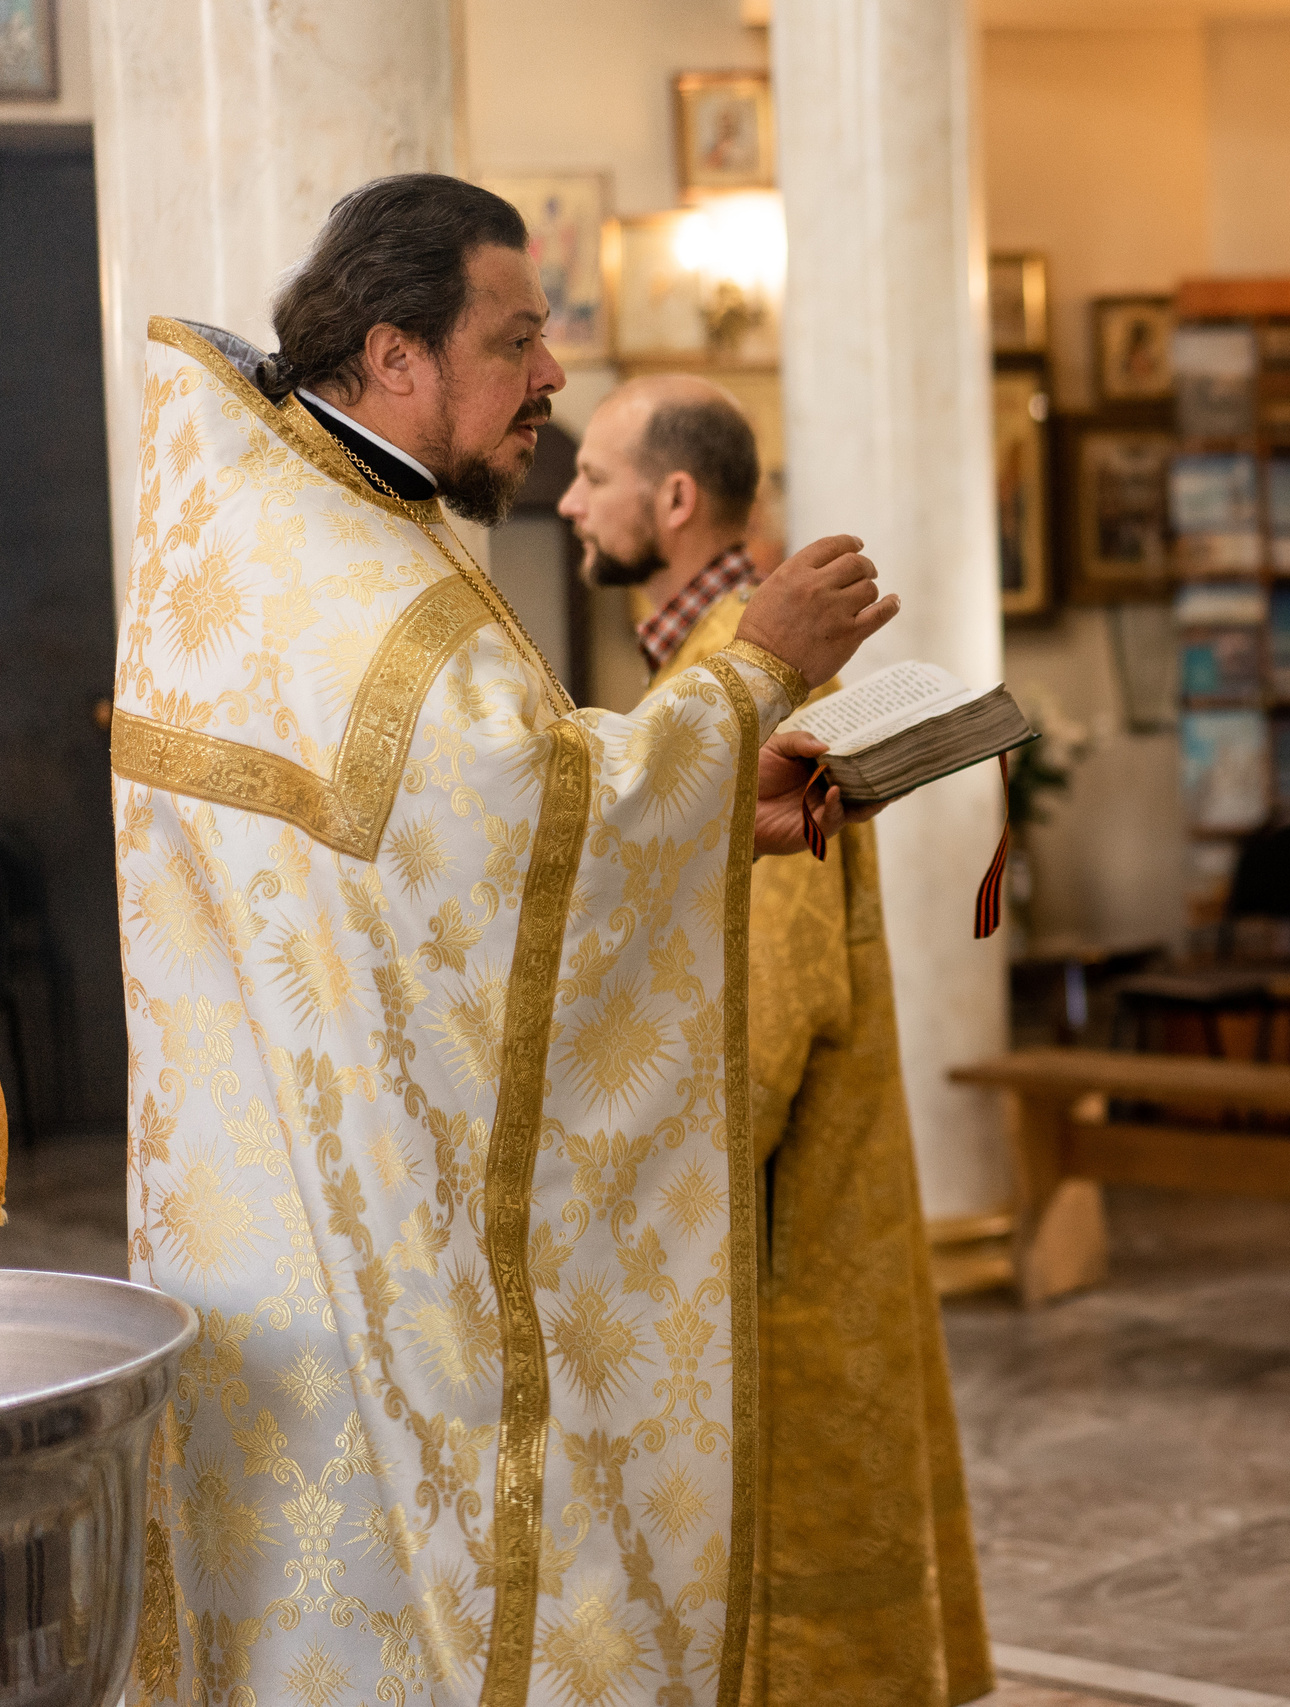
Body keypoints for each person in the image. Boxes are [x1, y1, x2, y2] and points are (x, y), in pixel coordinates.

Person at [112, 174, 894, 1706]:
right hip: (367, 1245)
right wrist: (753, 682)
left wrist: (717, 803)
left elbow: (460, 829)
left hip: (284, 1203)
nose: (553, 376)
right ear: (395, 352)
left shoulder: (299, 521)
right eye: (520, 337)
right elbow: (498, 802)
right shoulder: (351, 570)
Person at [556, 374, 996, 1705]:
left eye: (592, 473)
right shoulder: (709, 681)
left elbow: (779, 990)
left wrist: (636, 1182)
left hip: (770, 1225)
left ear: (672, 499)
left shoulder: (742, 693)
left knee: (789, 1610)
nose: (568, 499)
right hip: (769, 1204)